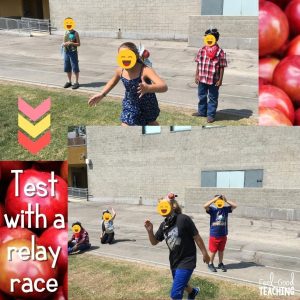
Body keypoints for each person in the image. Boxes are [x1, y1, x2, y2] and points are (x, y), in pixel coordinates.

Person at [145, 196, 210, 300]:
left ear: (173, 206)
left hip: (187, 260)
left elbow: (196, 237)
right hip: (174, 261)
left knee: (175, 295)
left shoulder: (183, 219)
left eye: (164, 204)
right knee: (182, 284)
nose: (162, 207)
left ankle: (190, 293)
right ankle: (193, 292)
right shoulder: (164, 225)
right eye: (160, 205)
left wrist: (205, 253)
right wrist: (149, 231)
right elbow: (154, 242)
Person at [88, 42, 168, 126]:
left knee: (150, 123)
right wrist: (102, 94)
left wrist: (148, 88)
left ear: (136, 56)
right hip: (130, 103)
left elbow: (164, 86)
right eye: (122, 56)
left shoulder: (145, 70)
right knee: (125, 124)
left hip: (147, 104)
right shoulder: (120, 70)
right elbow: (112, 82)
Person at [194, 28, 227, 123]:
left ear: (215, 39)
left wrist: (220, 80)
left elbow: (222, 66)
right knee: (202, 96)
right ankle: (202, 112)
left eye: (209, 37)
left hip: (214, 80)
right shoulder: (202, 50)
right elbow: (198, 63)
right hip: (202, 78)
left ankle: (211, 115)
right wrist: (197, 75)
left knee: (213, 98)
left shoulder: (220, 52)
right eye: (206, 37)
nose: (207, 39)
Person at [203, 195, 237, 272]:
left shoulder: (225, 209)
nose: (219, 202)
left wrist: (226, 200)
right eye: (218, 201)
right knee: (213, 251)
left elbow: (235, 206)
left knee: (221, 250)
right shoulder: (213, 210)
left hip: (223, 234)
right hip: (214, 235)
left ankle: (220, 263)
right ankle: (210, 264)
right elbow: (205, 206)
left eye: (220, 200)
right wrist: (214, 199)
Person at [63, 17, 81, 89]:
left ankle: (76, 82)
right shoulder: (65, 32)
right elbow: (64, 42)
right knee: (67, 67)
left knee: (75, 67)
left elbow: (79, 44)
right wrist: (64, 44)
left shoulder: (75, 33)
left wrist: (71, 43)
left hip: (73, 52)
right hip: (66, 52)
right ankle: (69, 81)